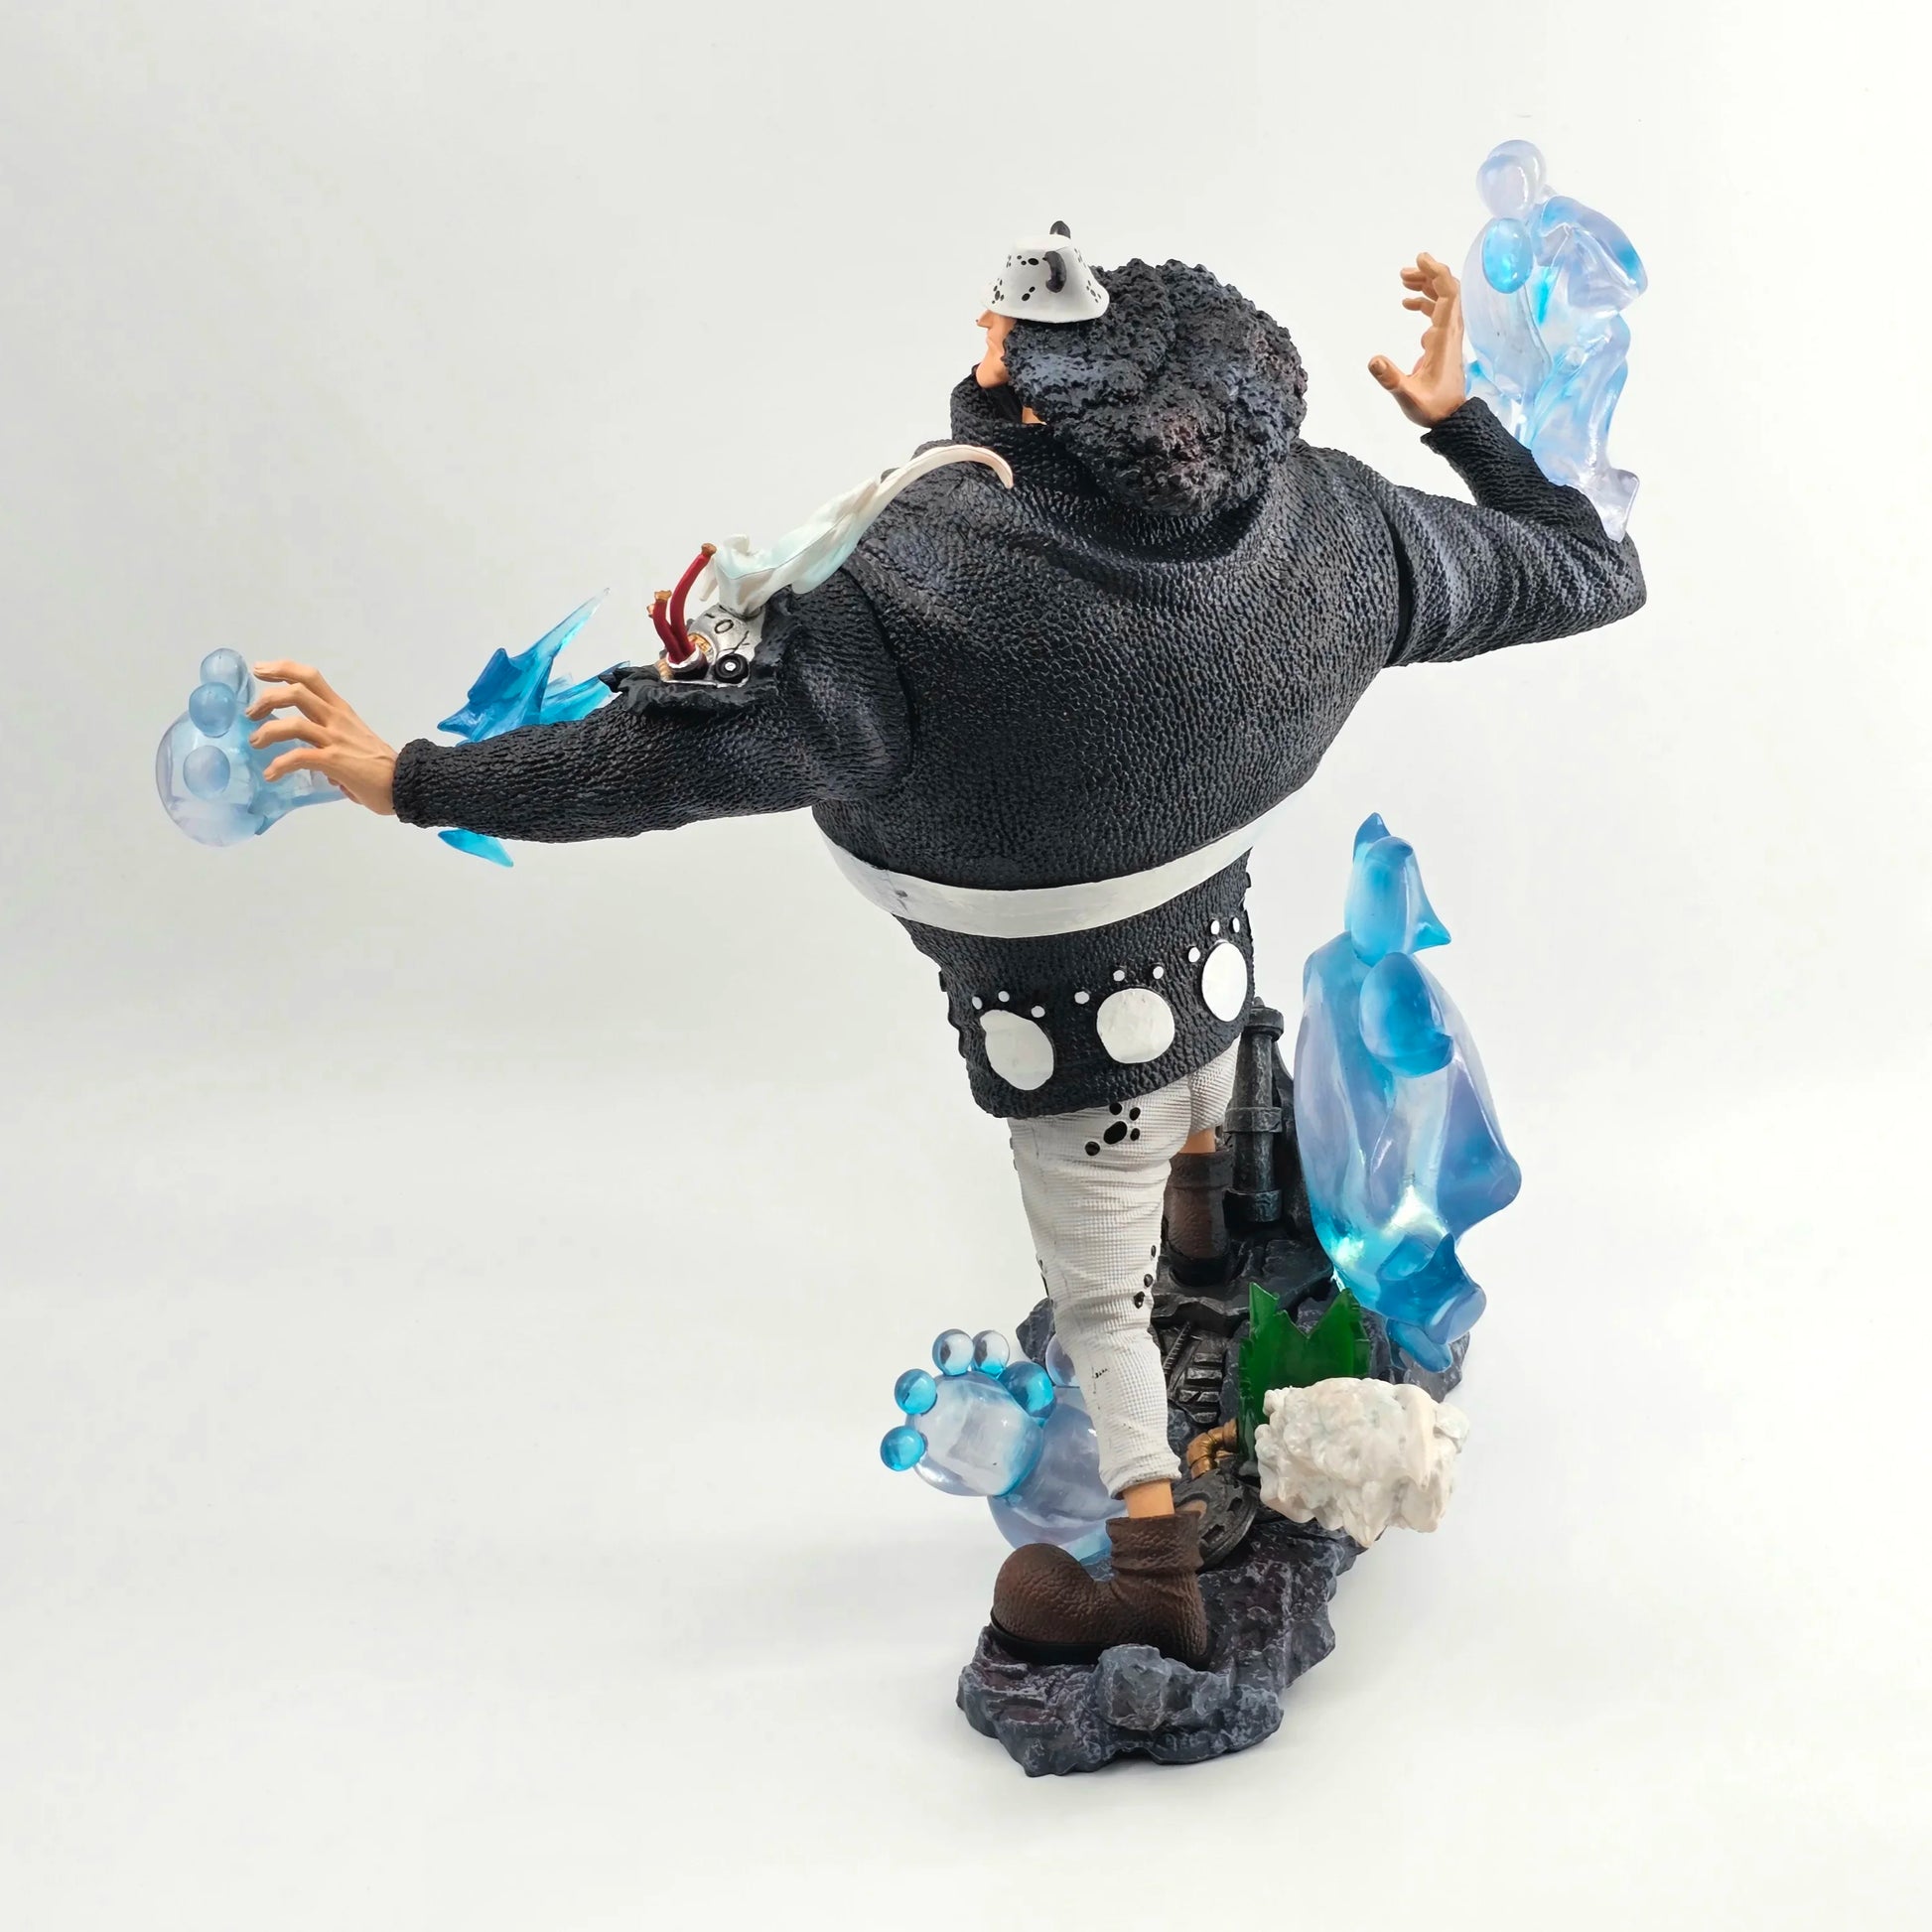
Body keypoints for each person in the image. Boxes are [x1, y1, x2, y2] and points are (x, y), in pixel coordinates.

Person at [243, 230, 1645, 1668]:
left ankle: (1153, 1574)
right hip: (1215, 969)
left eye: (998, 339)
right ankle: (1210, 1265)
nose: (979, 345)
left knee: (1099, 1311)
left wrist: (412, 778)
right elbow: (1593, 568)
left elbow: (643, 764)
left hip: (1067, 1036)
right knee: (1200, 1142)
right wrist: (1458, 421)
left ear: (1020, 385)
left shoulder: (912, 597)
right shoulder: (1336, 527)